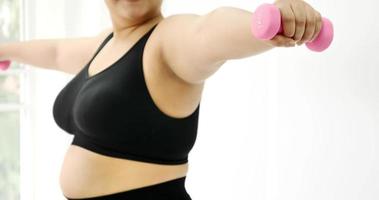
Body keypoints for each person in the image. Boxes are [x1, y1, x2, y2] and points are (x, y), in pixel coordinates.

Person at [0, 0, 322, 199]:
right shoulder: (109, 43)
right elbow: (56, 53)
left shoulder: (167, 40)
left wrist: (269, 22)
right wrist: (6, 51)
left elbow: (207, 33)